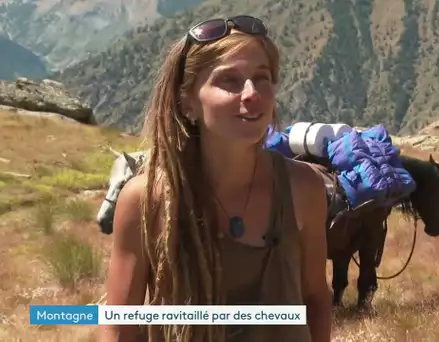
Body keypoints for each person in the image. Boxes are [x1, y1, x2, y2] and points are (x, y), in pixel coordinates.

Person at [99, 15, 332, 342]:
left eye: (261, 78)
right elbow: (119, 324)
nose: (251, 94)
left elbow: (316, 297)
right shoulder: (146, 200)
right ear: (187, 102)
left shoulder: (303, 188)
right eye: (230, 81)